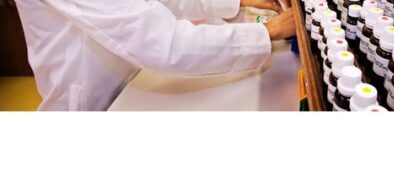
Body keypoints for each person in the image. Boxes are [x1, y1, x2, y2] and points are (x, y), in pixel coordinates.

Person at [15, 0, 297, 111]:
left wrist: (234, 2)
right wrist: (269, 31)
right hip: (89, 105)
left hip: (131, 85)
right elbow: (163, 43)